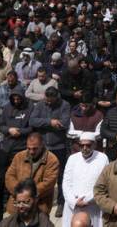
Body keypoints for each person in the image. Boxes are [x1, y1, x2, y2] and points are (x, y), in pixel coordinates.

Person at [31, 87, 72, 215]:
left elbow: (64, 123)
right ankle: (39, 201)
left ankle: (60, 202)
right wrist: (50, 122)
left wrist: (44, 124)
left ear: (56, 97)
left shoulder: (64, 105)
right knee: (40, 175)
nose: (48, 103)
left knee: (60, 177)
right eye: (46, 101)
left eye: (50, 101)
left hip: (59, 146)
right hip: (43, 147)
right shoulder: (40, 105)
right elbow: (33, 121)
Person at [5, 132, 61, 215]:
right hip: (17, 205)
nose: (31, 151)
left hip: (39, 205)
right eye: (29, 148)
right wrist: (19, 193)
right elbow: (9, 176)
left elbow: (49, 182)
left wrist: (28, 195)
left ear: (42, 145)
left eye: (35, 148)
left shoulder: (52, 160)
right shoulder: (19, 156)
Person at [62, 132, 109, 227]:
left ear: (94, 144)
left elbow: (104, 183)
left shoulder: (102, 158)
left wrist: (87, 200)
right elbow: (66, 182)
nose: (84, 148)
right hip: (73, 204)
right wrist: (74, 201)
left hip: (92, 204)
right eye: (81, 145)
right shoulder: (72, 158)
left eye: (88, 145)